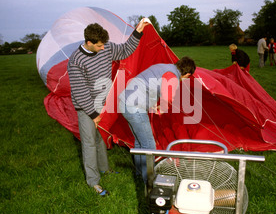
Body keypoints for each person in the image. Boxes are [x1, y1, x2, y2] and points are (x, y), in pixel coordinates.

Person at [67, 19, 148, 195]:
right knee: (89, 143)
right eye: (99, 46)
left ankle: (105, 169)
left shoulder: (106, 47)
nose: (104, 48)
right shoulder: (76, 61)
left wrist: (138, 32)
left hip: (103, 103)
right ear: (89, 43)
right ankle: (93, 182)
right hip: (86, 107)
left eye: (104, 45)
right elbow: (81, 93)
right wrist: (94, 115)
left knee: (100, 138)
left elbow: (125, 50)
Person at [118, 56, 196, 184]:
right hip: (135, 107)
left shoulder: (162, 67)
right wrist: (163, 108)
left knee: (139, 143)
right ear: (187, 74)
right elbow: (168, 96)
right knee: (149, 146)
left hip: (125, 103)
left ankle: (139, 174)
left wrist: (152, 104)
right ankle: (149, 181)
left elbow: (149, 85)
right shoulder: (173, 77)